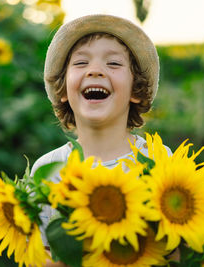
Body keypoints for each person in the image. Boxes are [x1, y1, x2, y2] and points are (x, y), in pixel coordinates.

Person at [30, 14, 172, 267]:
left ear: (136, 91)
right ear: (63, 91)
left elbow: (174, 250)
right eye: (81, 62)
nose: (95, 70)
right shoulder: (48, 168)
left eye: (114, 64)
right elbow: (38, 254)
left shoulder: (158, 160)